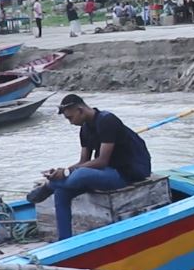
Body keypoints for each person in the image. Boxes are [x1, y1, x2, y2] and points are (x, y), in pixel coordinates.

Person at [27, 94, 152, 241]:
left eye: (70, 118)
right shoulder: (85, 130)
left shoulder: (107, 120)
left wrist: (67, 172)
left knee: (81, 175)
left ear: (80, 110)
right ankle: (64, 241)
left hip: (125, 173)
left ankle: (50, 186)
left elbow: (102, 161)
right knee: (62, 192)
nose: (70, 123)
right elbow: (83, 161)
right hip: (105, 172)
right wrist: (60, 171)